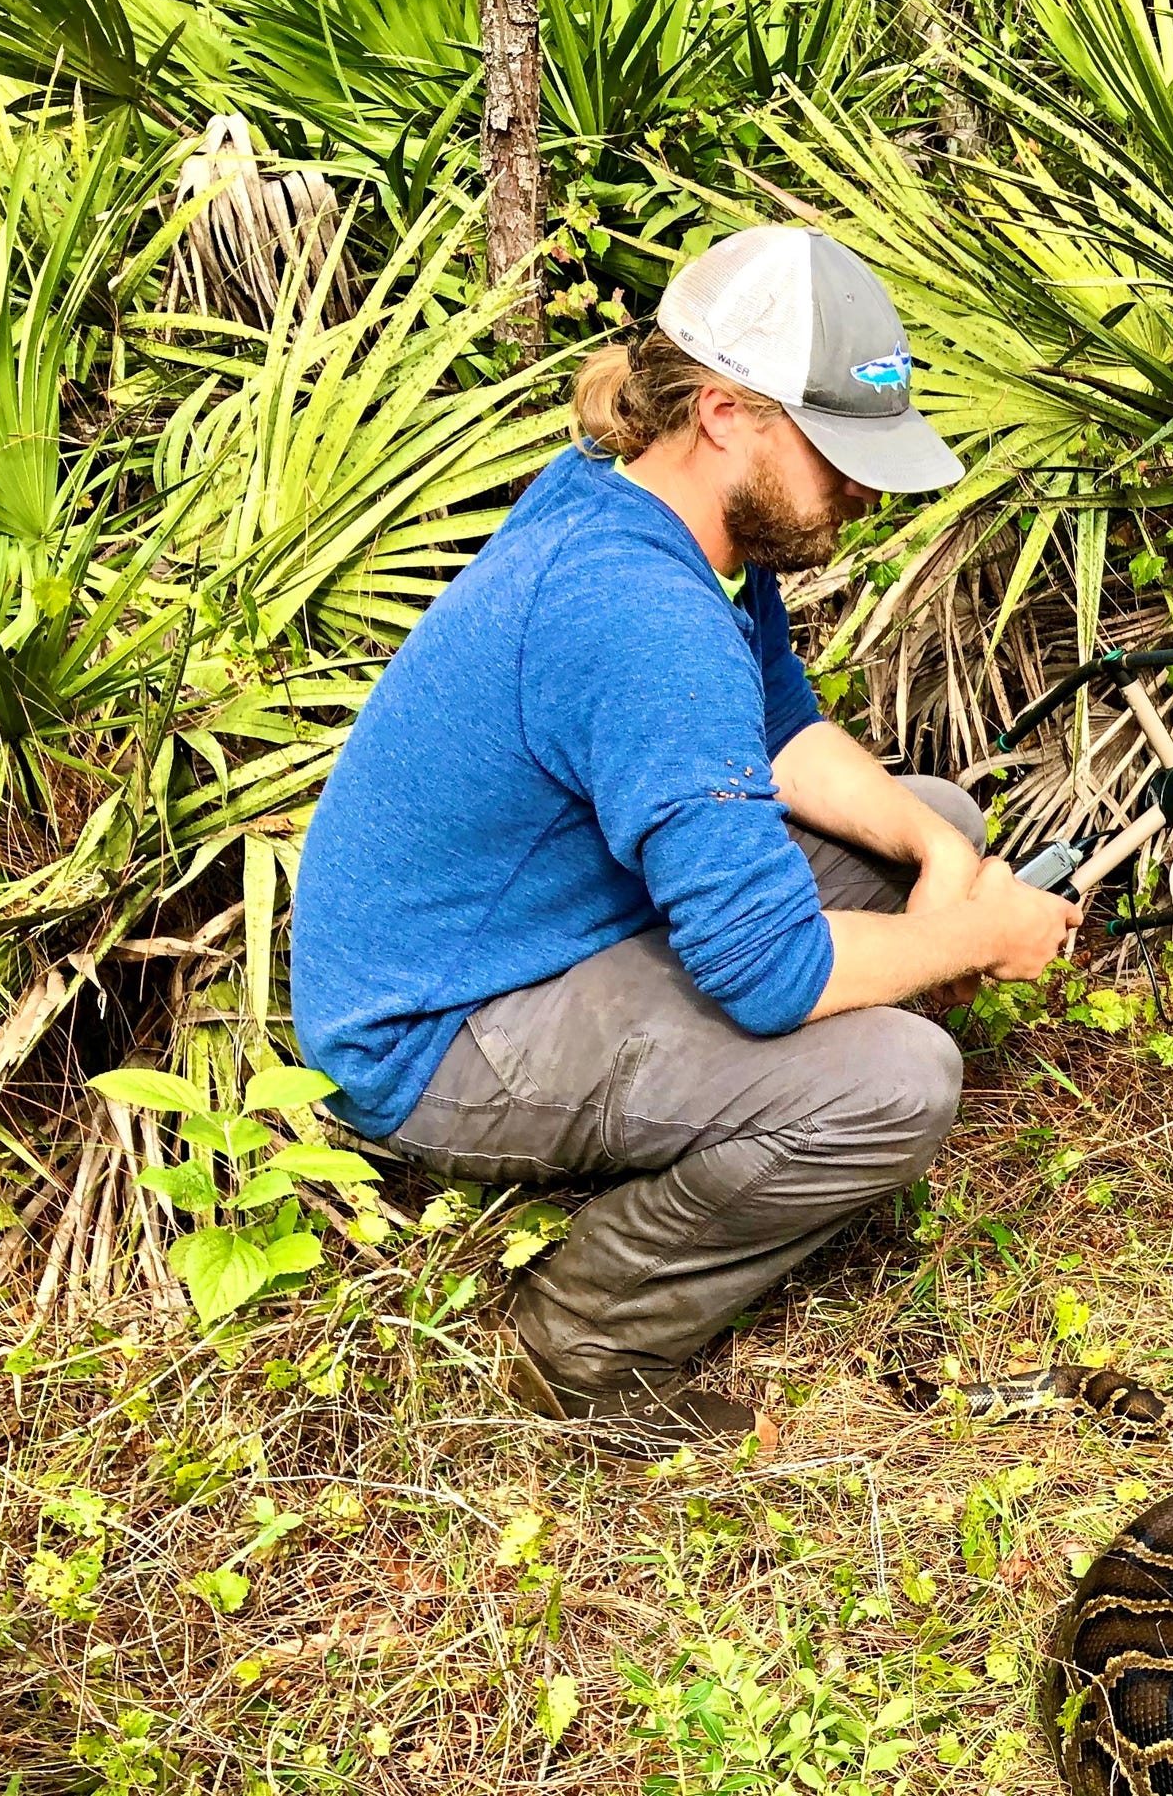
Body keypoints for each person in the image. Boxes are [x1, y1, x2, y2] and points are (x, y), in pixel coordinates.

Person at [292, 227, 1082, 1454]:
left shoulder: (680, 528)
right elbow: (768, 976)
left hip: (550, 923)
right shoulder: (635, 611)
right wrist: (979, 933)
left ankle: (740, 1125)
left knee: (945, 822)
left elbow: (779, 735)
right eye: (838, 455)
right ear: (727, 415)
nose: (864, 494)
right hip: (437, 1031)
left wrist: (936, 865)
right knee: (898, 1078)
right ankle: (583, 1347)